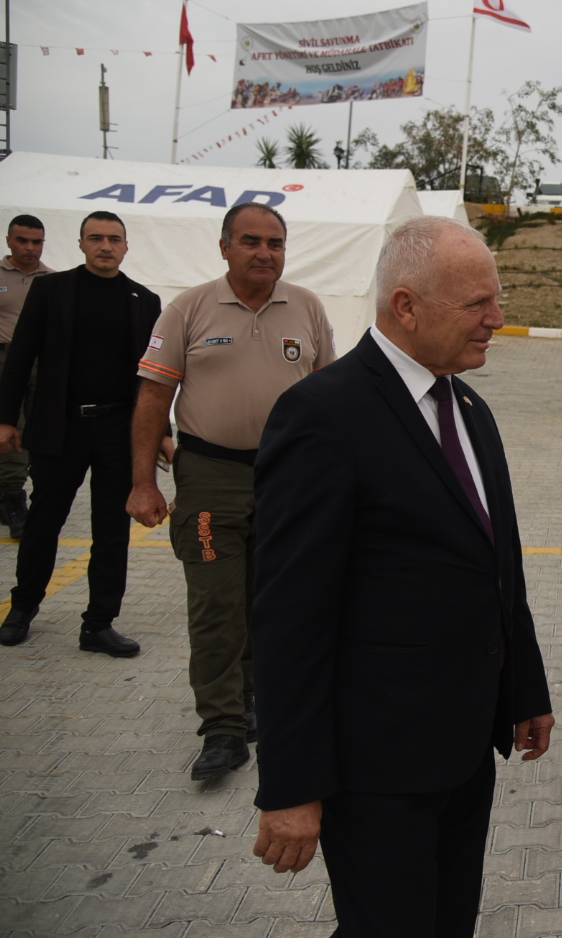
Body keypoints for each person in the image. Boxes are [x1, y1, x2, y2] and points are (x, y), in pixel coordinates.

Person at [250, 217, 554, 937]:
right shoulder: (323, 415)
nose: (497, 319)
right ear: (406, 307)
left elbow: (497, 567)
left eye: (498, 300)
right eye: (477, 304)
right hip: (377, 767)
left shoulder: (469, 407)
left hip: (464, 751)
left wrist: (525, 689)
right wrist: (292, 786)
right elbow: (289, 617)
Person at [126, 202, 336, 781]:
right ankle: (221, 730)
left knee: (270, 599)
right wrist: (143, 482)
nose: (264, 253)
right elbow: (153, 397)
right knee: (216, 602)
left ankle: (254, 699)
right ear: (224, 247)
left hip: (287, 477)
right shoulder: (188, 308)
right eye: (250, 241)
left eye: (275, 243)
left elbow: (329, 398)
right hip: (210, 477)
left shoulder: (308, 308)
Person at [0, 211, 164, 654]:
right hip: (60, 426)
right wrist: (5, 418)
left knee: (112, 529)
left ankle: (98, 624)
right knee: (43, 522)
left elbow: (154, 378)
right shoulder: (50, 290)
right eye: (96, 238)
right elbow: (20, 356)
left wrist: (161, 433)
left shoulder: (144, 300)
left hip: (118, 429)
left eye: (114, 238)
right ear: (80, 243)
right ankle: (22, 608)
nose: (105, 246)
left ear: (126, 246)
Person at [0, 214, 53, 538]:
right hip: (4, 358)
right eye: (22, 240)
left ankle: (20, 493)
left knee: (39, 426)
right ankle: (13, 497)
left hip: (42, 361)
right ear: (9, 241)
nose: (30, 248)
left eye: (36, 242)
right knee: (12, 427)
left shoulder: (53, 280)